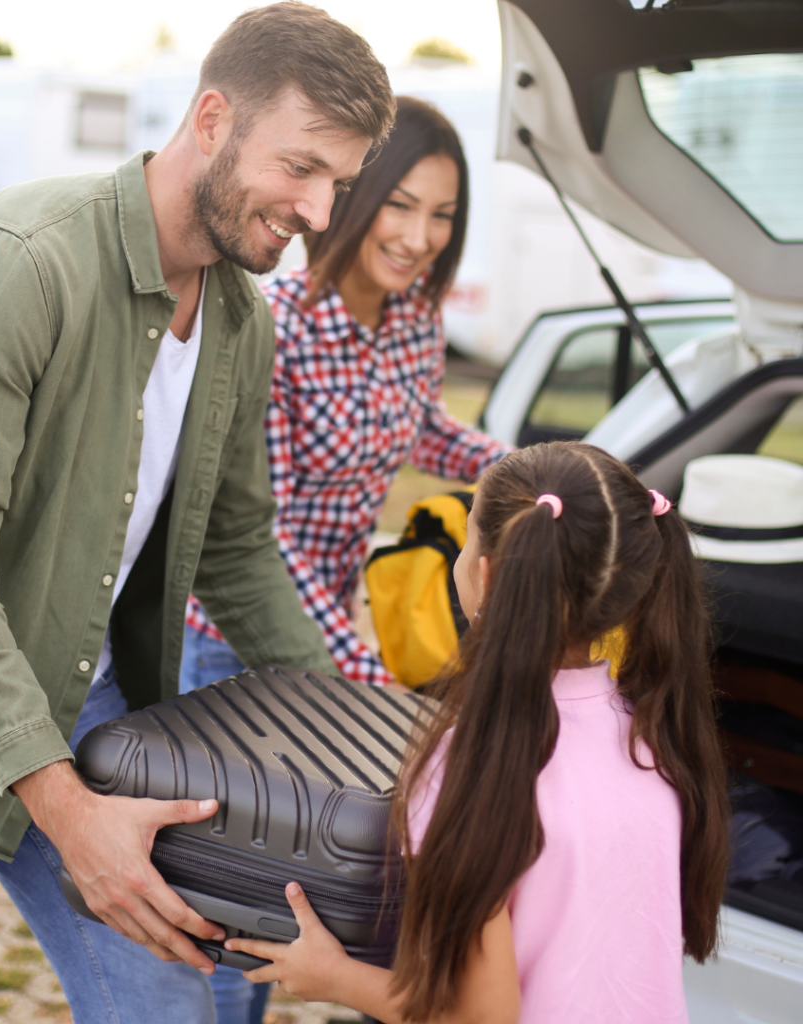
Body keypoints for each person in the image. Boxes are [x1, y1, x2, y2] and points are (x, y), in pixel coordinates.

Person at [0, 6, 395, 1023]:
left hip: (82, 702)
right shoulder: (14, 263)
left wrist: (357, 734)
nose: (322, 211)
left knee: (167, 1004)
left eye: (339, 180)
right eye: (301, 167)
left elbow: (238, 551)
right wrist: (69, 816)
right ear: (211, 118)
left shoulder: (242, 320)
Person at [181, 97, 508, 1024]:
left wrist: (525, 474)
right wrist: (361, 676)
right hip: (234, 650)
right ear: (355, 194)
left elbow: (417, 429)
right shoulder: (271, 320)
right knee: (238, 916)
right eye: (401, 205)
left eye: (443, 216)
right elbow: (261, 535)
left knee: (316, 896)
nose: (419, 238)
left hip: (331, 650)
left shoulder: (414, 320)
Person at [226, 441, 730, 1024]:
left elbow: (478, 1017)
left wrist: (332, 976)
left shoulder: (476, 759)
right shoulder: (654, 731)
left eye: (467, 538)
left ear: (484, 575)